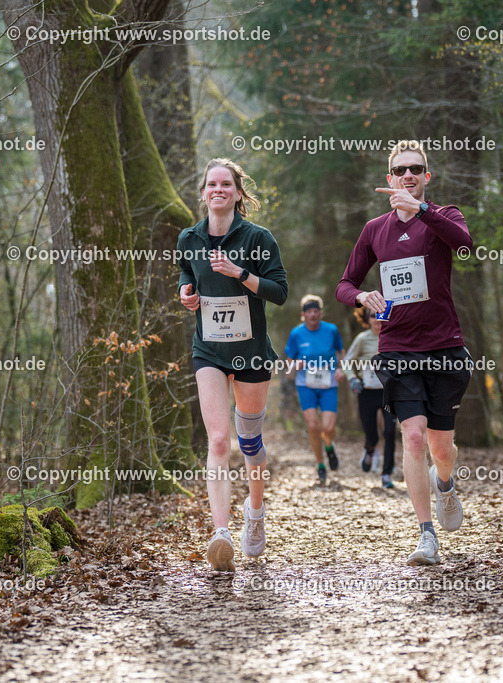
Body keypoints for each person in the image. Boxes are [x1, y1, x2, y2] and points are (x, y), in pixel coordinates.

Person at [335, 140, 474, 566]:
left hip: (445, 347)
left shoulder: (444, 216)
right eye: (400, 170)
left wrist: (422, 211)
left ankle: (445, 484)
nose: (408, 175)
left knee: (441, 448)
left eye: (416, 169)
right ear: (389, 178)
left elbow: (465, 246)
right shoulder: (375, 230)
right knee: (412, 437)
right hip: (397, 348)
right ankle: (426, 535)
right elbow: (343, 285)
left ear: (426, 177)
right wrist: (363, 296)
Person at [178, 158, 288, 572]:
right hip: (208, 349)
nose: (218, 189)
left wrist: (240, 272)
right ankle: (221, 533)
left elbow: (279, 292)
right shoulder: (189, 238)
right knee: (219, 440)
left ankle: (255, 512)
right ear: (204, 192)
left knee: (249, 444)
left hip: (252, 352)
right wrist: (186, 294)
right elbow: (186, 276)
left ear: (238, 193)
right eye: (212, 184)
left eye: (227, 184)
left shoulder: (258, 238)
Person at [284, 295, 344, 486]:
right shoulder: (296, 333)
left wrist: (341, 369)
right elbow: (289, 361)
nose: (313, 314)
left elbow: (340, 352)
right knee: (313, 426)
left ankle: (329, 446)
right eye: (309, 311)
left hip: (328, 385)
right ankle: (320, 465)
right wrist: (295, 366)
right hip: (306, 385)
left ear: (320, 313)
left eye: (316, 311)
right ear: (303, 314)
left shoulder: (331, 330)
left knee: (328, 428)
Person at [343, 306, 397, 488]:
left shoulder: (394, 337)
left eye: (381, 316)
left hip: (389, 392)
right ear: (367, 319)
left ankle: (387, 474)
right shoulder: (362, 339)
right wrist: (352, 379)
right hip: (366, 392)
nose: (377, 319)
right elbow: (347, 363)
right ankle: (369, 449)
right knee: (371, 435)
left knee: (390, 432)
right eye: (373, 316)